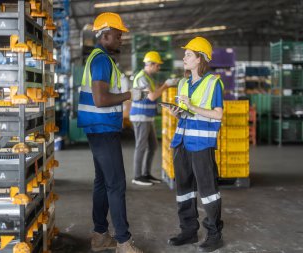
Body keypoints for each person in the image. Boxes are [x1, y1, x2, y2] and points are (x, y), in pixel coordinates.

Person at [77, 12, 146, 253]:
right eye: (118, 35)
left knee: (102, 182)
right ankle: (124, 242)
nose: (121, 39)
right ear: (105, 34)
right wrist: (130, 95)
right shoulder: (101, 60)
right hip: (103, 129)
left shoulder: (101, 58)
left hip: (98, 129)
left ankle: (99, 235)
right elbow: (100, 99)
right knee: (116, 184)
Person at [166, 37, 224, 252]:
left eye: (189, 54)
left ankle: (214, 234)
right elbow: (186, 113)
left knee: (208, 192)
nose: (184, 58)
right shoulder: (183, 83)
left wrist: (192, 106)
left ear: (200, 59)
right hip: (181, 142)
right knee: (184, 190)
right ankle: (188, 231)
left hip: (201, 144)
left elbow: (218, 115)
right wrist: (177, 113)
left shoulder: (213, 82)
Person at [129, 51, 173, 186]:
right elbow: (152, 96)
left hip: (147, 117)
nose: (158, 68)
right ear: (151, 64)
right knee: (141, 146)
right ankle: (137, 176)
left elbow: (153, 94)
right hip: (140, 116)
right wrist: (166, 85)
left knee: (153, 146)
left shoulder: (148, 78)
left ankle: (146, 174)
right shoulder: (142, 77)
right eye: (157, 65)